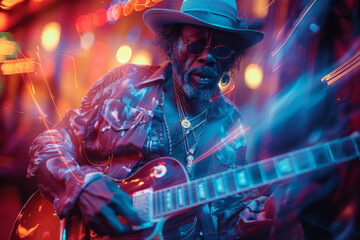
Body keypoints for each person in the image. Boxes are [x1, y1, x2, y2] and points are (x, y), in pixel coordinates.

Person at [27, 0, 281, 239]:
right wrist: (80, 185)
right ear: (172, 45)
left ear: (230, 60)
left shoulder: (231, 126)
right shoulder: (125, 84)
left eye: (222, 49)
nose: (208, 56)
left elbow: (225, 219)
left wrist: (269, 212)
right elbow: (48, 145)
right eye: (195, 44)